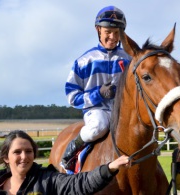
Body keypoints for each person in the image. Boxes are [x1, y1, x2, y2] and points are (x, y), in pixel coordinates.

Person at [62, 5, 131, 170]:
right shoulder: (84, 61)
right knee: (98, 127)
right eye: (108, 32)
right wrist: (98, 94)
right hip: (96, 111)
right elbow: (72, 97)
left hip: (123, 112)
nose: (113, 37)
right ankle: (71, 152)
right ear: (98, 29)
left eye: (117, 33)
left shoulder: (129, 59)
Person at [0, 130, 129, 195]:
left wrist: (109, 168)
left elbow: (81, 183)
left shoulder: (48, 180)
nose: (24, 157)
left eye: (29, 151)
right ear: (6, 157)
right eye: (17, 152)